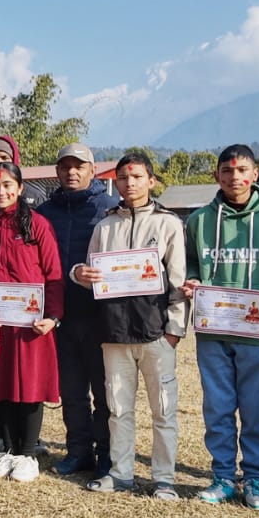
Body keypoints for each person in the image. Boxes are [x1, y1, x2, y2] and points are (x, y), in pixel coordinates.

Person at [182, 144, 259, 512]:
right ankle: (223, 476)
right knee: (218, 407)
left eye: (242, 170)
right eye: (227, 170)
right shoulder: (199, 220)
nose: (234, 177)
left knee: (256, 409)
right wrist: (193, 280)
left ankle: (254, 477)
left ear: (255, 175)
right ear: (217, 176)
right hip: (213, 330)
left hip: (258, 331)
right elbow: (190, 262)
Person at [73, 151, 188, 499]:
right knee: (118, 408)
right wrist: (79, 274)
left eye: (137, 177)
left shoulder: (168, 223)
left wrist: (174, 330)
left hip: (156, 333)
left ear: (151, 181)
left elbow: (178, 279)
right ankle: (121, 473)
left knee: (163, 410)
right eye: (123, 178)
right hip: (114, 333)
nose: (129, 183)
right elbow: (92, 274)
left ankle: (164, 478)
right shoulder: (105, 226)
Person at [0, 162, 63, 483]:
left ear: (20, 188)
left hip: (32, 324)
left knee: (30, 385)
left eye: (8, 185)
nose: (1, 192)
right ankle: (8, 451)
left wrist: (53, 316)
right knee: (0, 384)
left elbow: (53, 275)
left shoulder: (38, 225)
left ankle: (28, 453)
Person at [37, 142, 117, 477]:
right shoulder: (45, 212)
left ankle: (106, 454)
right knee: (71, 391)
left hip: (100, 314)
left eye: (79, 166)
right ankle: (78, 451)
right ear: (57, 172)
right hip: (61, 314)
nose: (72, 172)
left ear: (92, 170)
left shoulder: (110, 208)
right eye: (65, 167)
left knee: (104, 391)